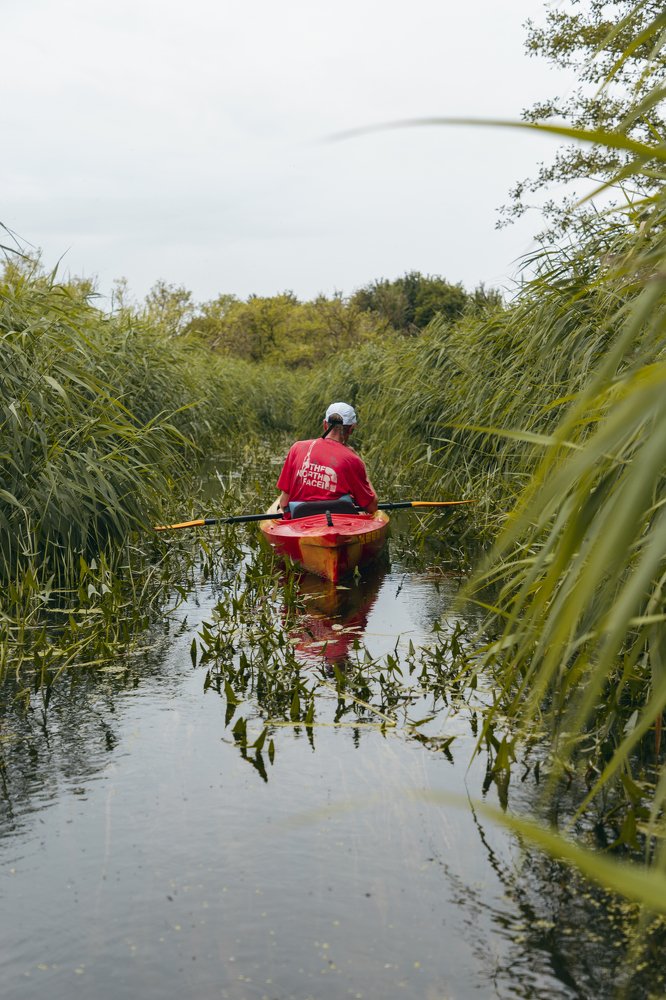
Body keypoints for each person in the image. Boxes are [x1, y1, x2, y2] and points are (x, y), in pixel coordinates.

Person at [276, 402, 378, 515]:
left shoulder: (297, 447)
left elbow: (284, 503)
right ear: (351, 429)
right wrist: (362, 465)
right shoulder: (353, 459)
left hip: (300, 522)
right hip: (340, 523)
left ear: (325, 424)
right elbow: (372, 507)